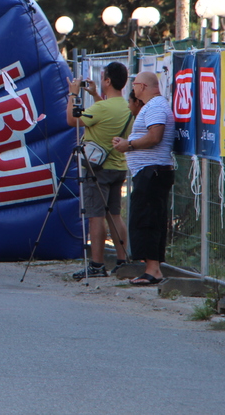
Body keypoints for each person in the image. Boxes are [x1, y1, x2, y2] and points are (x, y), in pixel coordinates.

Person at [66, 63, 132, 279]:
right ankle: (122, 262)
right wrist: (95, 95)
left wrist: (72, 94)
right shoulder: (125, 106)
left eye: (103, 78)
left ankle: (97, 265)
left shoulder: (102, 108)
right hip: (118, 167)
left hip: (97, 170)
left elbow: (72, 120)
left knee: (96, 217)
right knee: (115, 215)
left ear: (108, 81)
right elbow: (104, 115)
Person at [112, 71, 174, 285]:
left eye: (135, 84)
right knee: (147, 218)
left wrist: (128, 145)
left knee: (147, 220)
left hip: (152, 172)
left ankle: (153, 270)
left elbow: (155, 137)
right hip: (149, 172)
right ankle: (152, 268)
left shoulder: (155, 106)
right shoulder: (152, 106)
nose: (133, 88)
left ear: (142, 86)